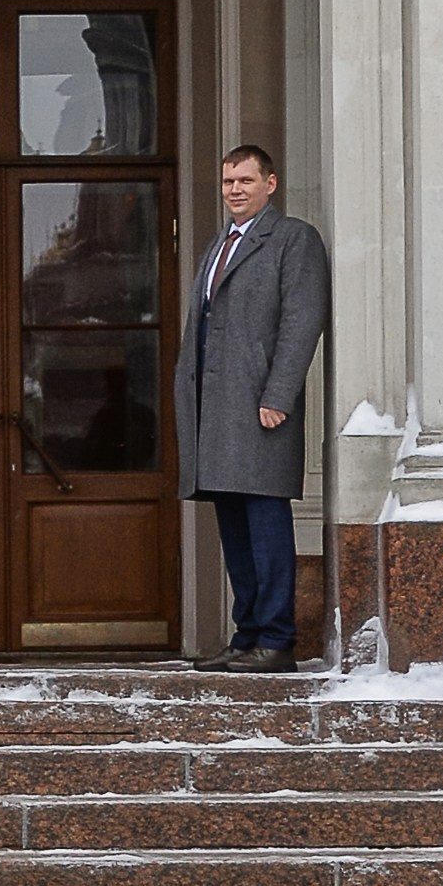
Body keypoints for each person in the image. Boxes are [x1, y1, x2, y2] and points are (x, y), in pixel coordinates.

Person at [174, 140, 328, 671]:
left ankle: (277, 639)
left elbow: (302, 321)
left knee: (264, 523)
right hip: (215, 413)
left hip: (261, 408)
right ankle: (247, 637)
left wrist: (279, 396)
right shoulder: (219, 244)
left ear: (271, 183)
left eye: (244, 181)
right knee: (234, 529)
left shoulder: (292, 240)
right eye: (227, 182)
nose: (234, 190)